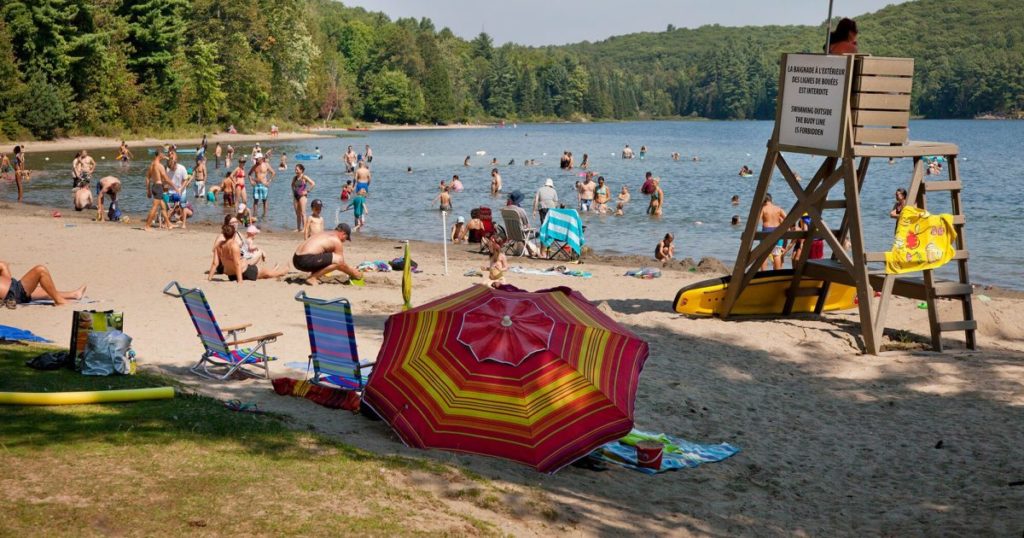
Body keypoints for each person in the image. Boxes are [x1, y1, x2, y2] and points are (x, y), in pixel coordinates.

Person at [292, 224, 363, 285]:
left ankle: (314, 276)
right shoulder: (336, 240)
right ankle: (312, 278)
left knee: (328, 256)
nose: (344, 241)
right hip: (305, 260)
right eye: (346, 238)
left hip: (296, 259)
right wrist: (355, 273)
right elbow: (341, 264)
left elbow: (323, 257)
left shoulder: (324, 234)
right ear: (343, 234)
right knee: (338, 260)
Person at [215, 225, 285, 283]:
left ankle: (275, 269)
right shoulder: (234, 246)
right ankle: (283, 271)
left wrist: (209, 278)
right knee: (266, 273)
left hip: (232, 276)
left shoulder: (220, 245)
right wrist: (240, 281)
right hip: (244, 271)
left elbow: (215, 263)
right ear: (234, 234)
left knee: (264, 273)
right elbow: (237, 264)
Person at [0, 262, 85, 307]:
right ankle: (60, 301)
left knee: (45, 289)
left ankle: (74, 294)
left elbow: (3, 265)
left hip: (12, 290)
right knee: (40, 270)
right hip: (14, 293)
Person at [759, 193, 787, 270]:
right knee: (777, 254)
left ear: (764, 201)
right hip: (777, 231)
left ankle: (763, 275)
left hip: (766, 231)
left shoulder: (763, 209)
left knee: (763, 255)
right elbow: (787, 219)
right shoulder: (778, 208)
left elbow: (757, 220)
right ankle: (777, 274)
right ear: (771, 200)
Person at [144, 152, 171, 230]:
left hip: (155, 186)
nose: (164, 156)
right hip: (158, 187)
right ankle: (147, 226)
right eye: (163, 154)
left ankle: (169, 224)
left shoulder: (152, 165)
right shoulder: (159, 165)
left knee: (163, 206)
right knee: (154, 208)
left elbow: (147, 178)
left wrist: (148, 190)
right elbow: (165, 178)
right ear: (160, 155)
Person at [291, 164, 315, 232]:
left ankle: (304, 228)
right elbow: (292, 185)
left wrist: (307, 191)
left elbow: (313, 183)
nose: (295, 171)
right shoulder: (294, 178)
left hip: (302, 197)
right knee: (297, 213)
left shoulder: (304, 177)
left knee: (303, 213)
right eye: (295, 169)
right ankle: (298, 228)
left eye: (297, 170)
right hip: (295, 197)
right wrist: (293, 193)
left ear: (301, 170)